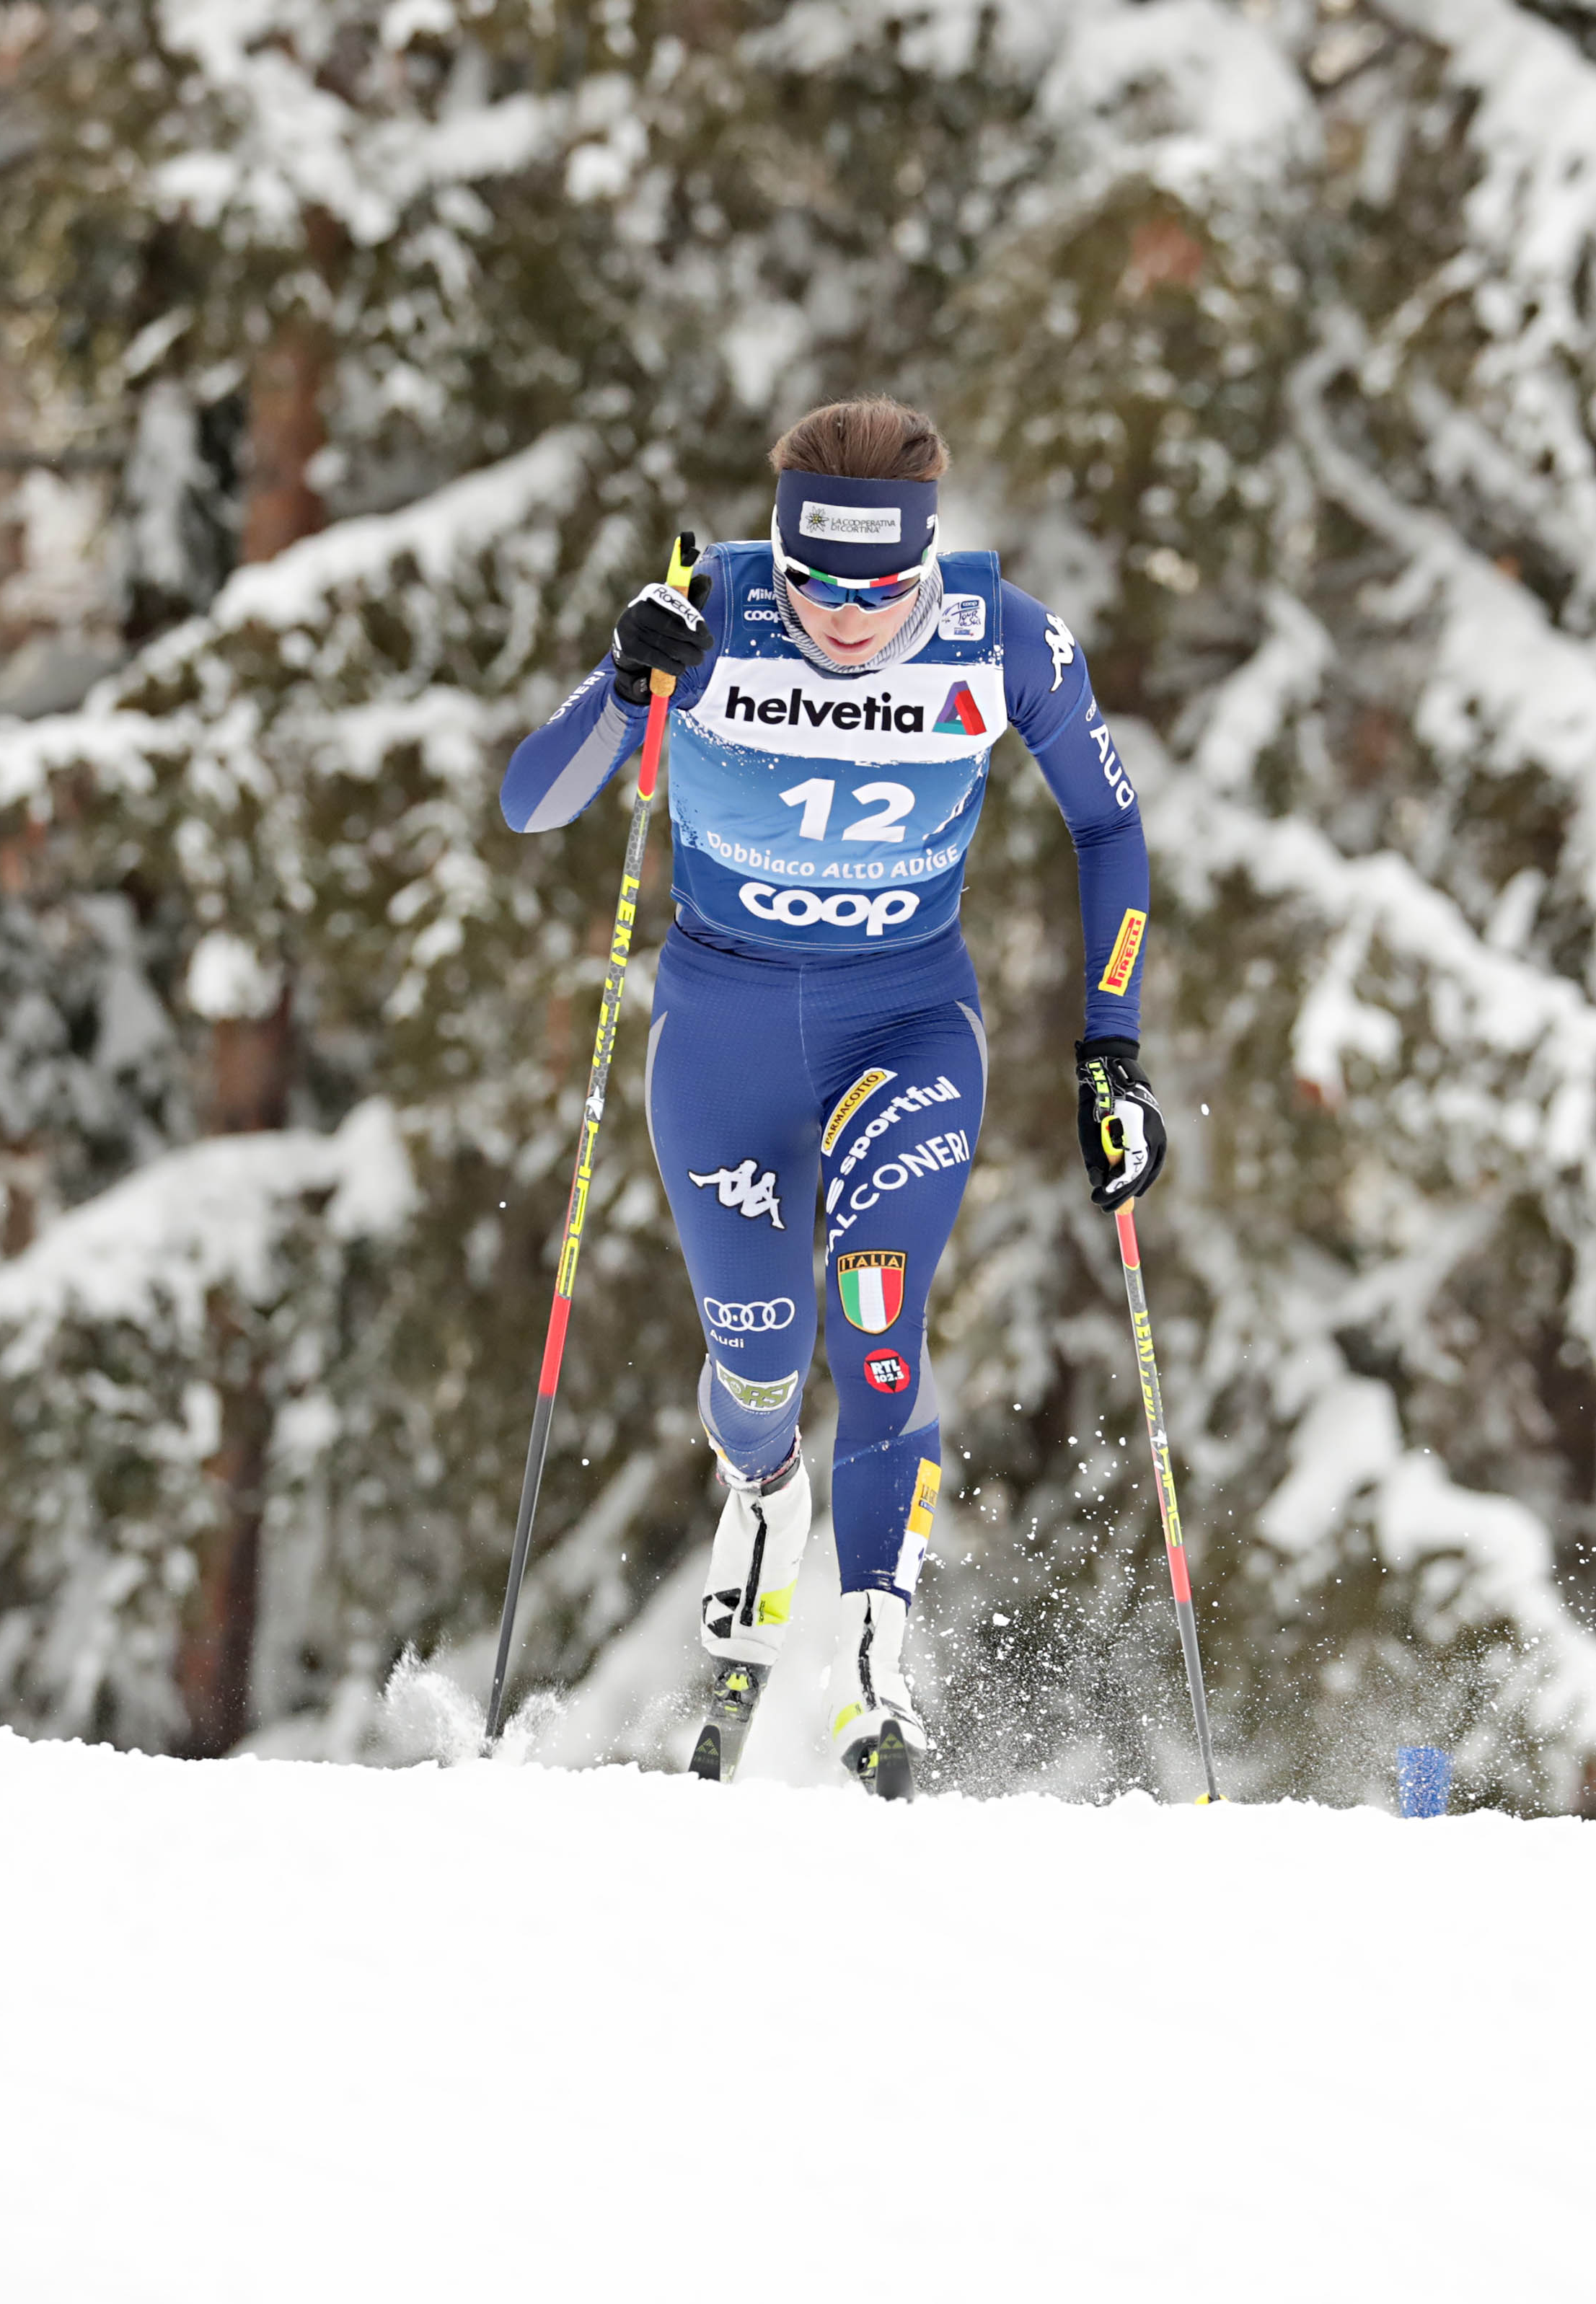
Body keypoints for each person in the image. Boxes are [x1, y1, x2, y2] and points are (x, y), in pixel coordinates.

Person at [501, 397, 1168, 1798]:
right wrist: (628, 683)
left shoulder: (1005, 642)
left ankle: (875, 1643)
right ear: (778, 554)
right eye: (816, 585)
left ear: (927, 560)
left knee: (875, 1309)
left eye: (882, 589)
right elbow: (535, 803)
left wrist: (1111, 1045)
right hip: (724, 1034)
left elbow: (1108, 823)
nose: (848, 621)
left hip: (906, 1026)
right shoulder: (708, 614)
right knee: (758, 1354)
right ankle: (761, 1489)